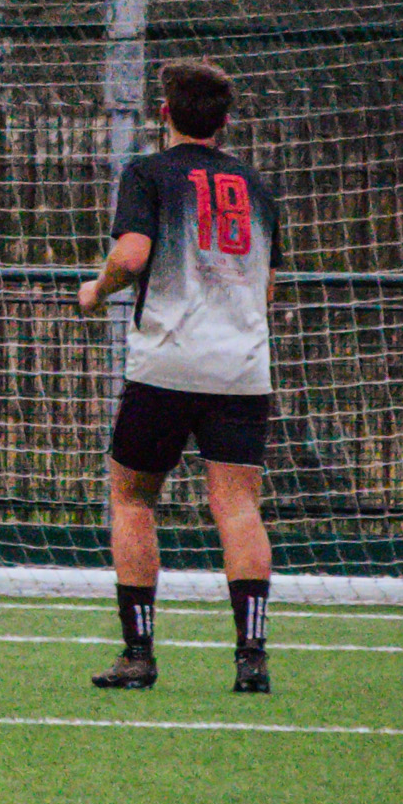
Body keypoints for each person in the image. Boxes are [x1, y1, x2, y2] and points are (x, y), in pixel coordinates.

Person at [77, 58, 282, 695]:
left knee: (133, 499)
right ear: (225, 121)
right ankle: (251, 658)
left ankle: (138, 654)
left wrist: (97, 290)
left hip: (166, 364)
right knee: (238, 505)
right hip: (242, 367)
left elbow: (133, 253)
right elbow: (268, 287)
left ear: (164, 114)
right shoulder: (255, 184)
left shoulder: (149, 172)